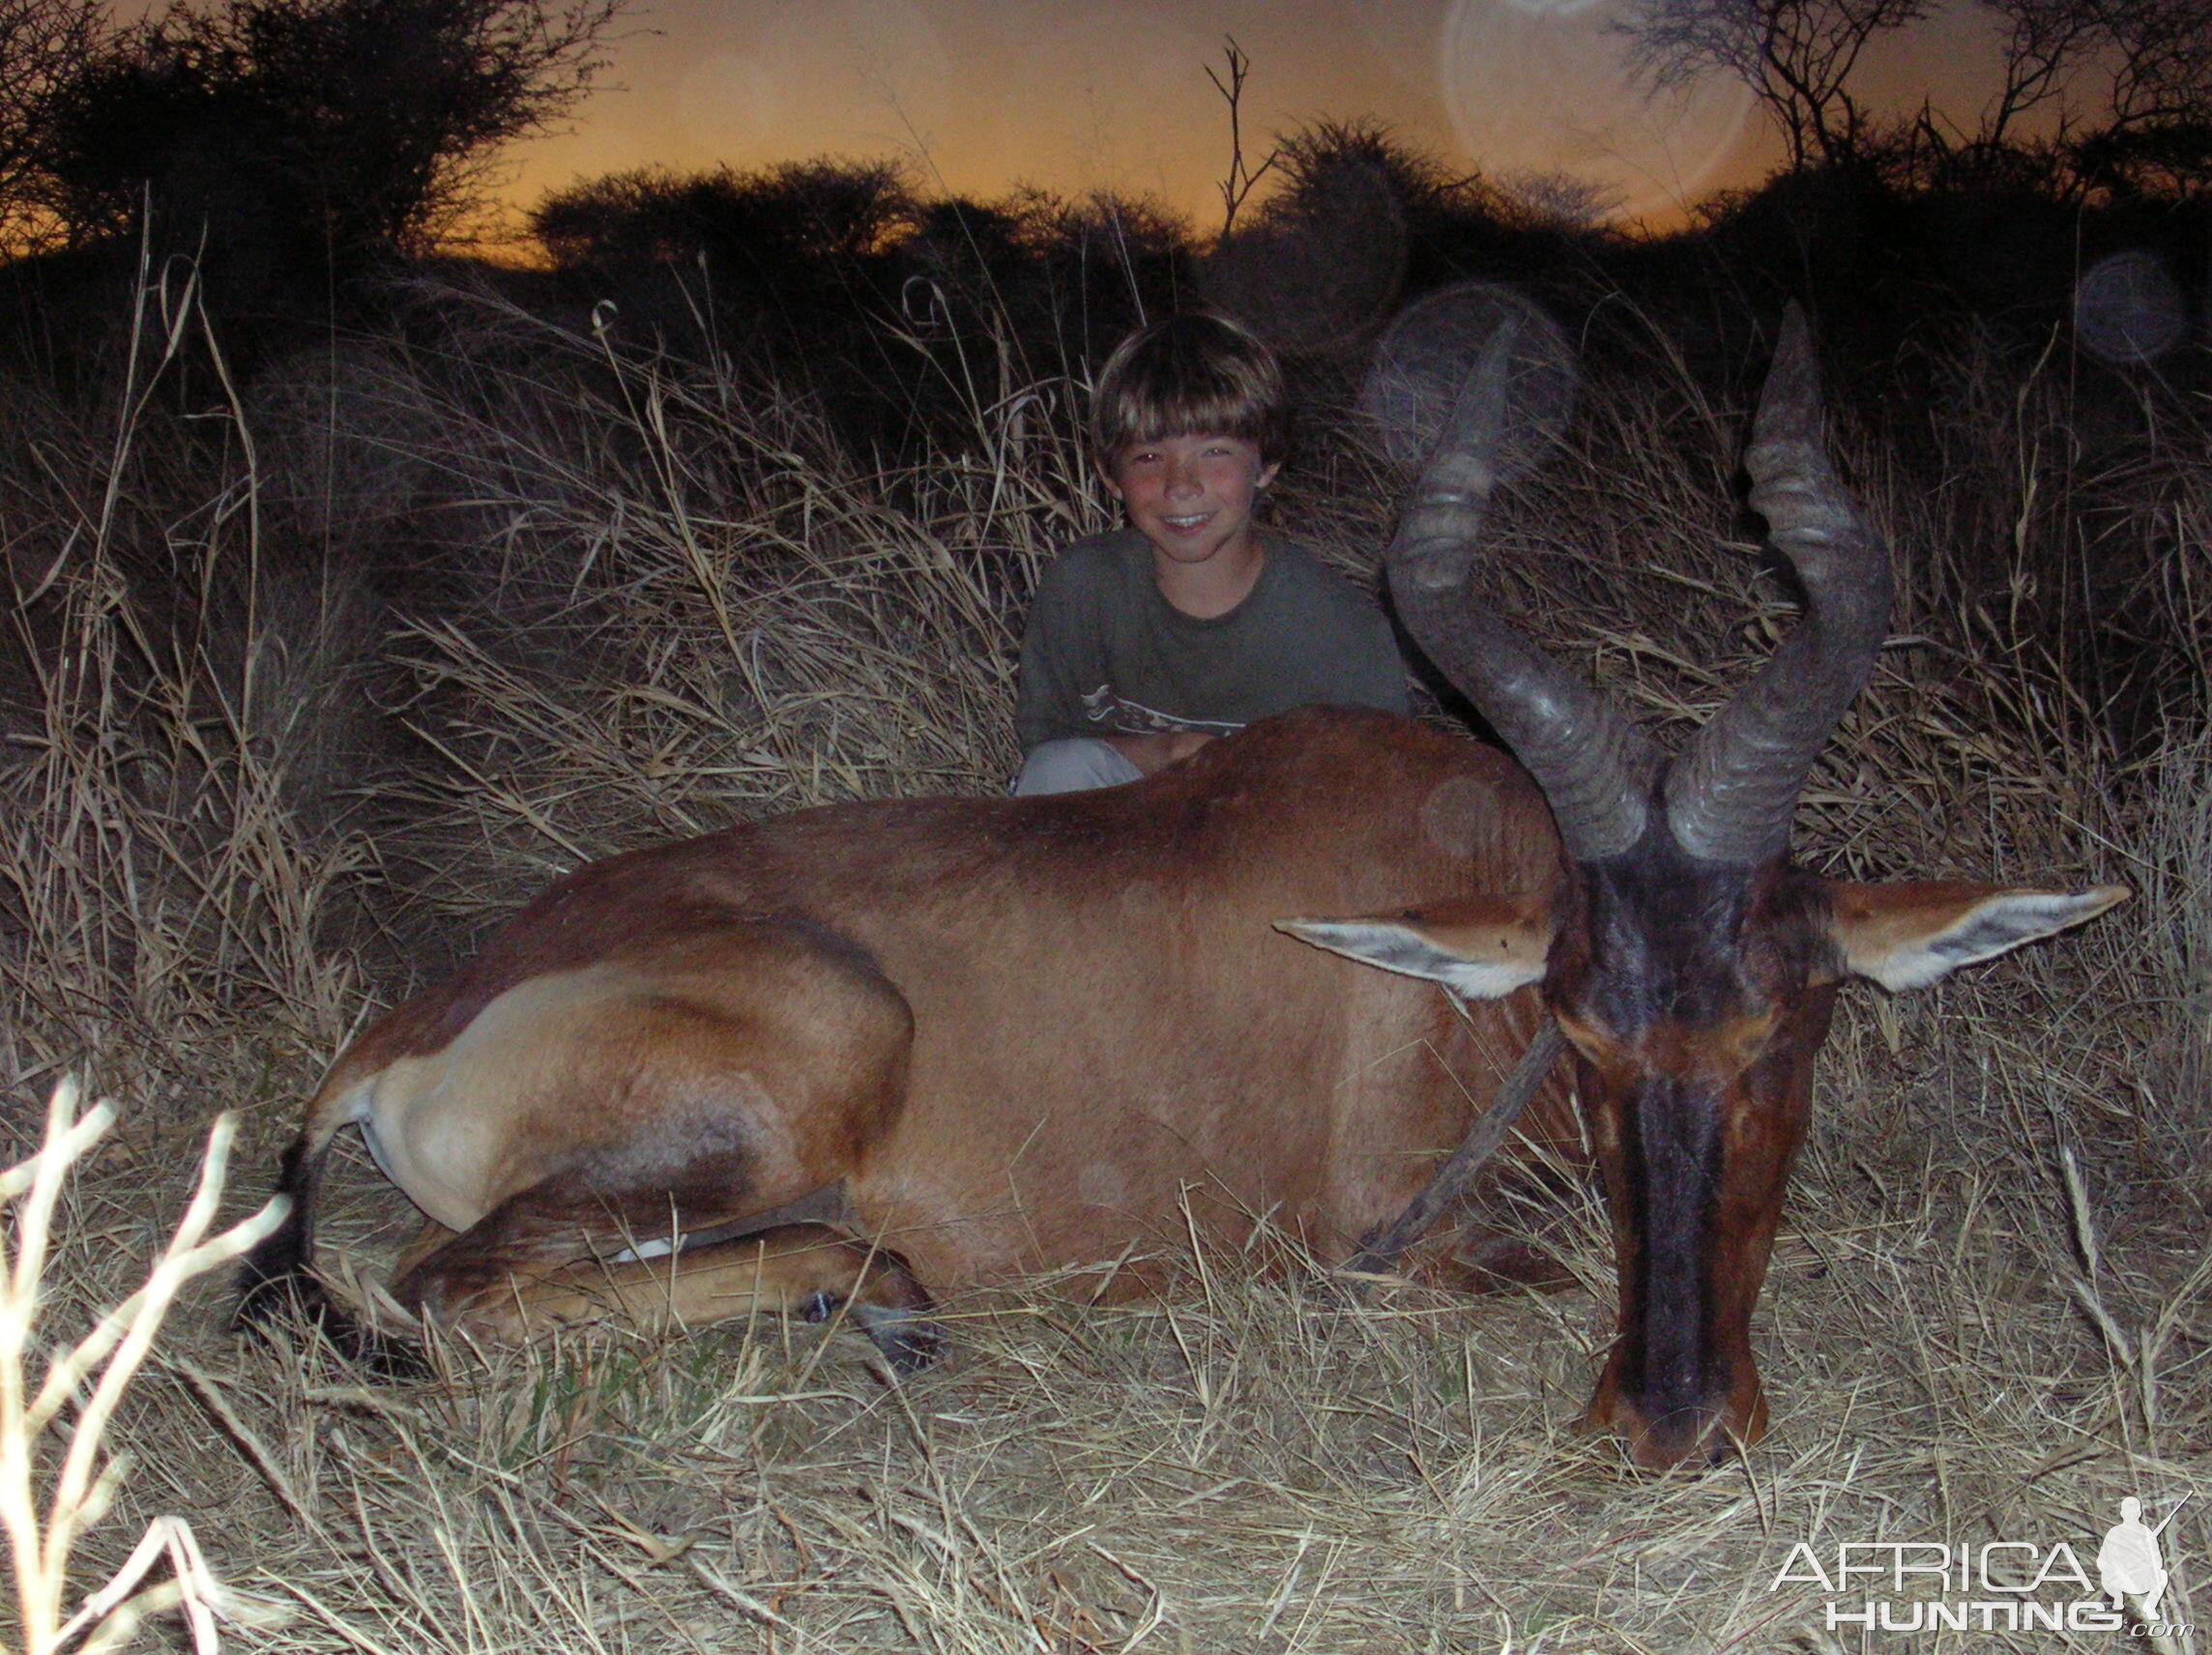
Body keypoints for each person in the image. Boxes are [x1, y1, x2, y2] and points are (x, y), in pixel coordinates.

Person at [1012, 311, 1409, 796]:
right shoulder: (1083, 585)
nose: (1181, 486)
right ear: (1110, 476)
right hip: (1125, 824)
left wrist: (1236, 770)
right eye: (1149, 457)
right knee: (1059, 769)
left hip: (1273, 832)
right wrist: (1166, 754)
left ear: (1266, 463)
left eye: (1215, 451)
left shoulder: (1342, 630)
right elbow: (1047, 742)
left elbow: (1376, 788)